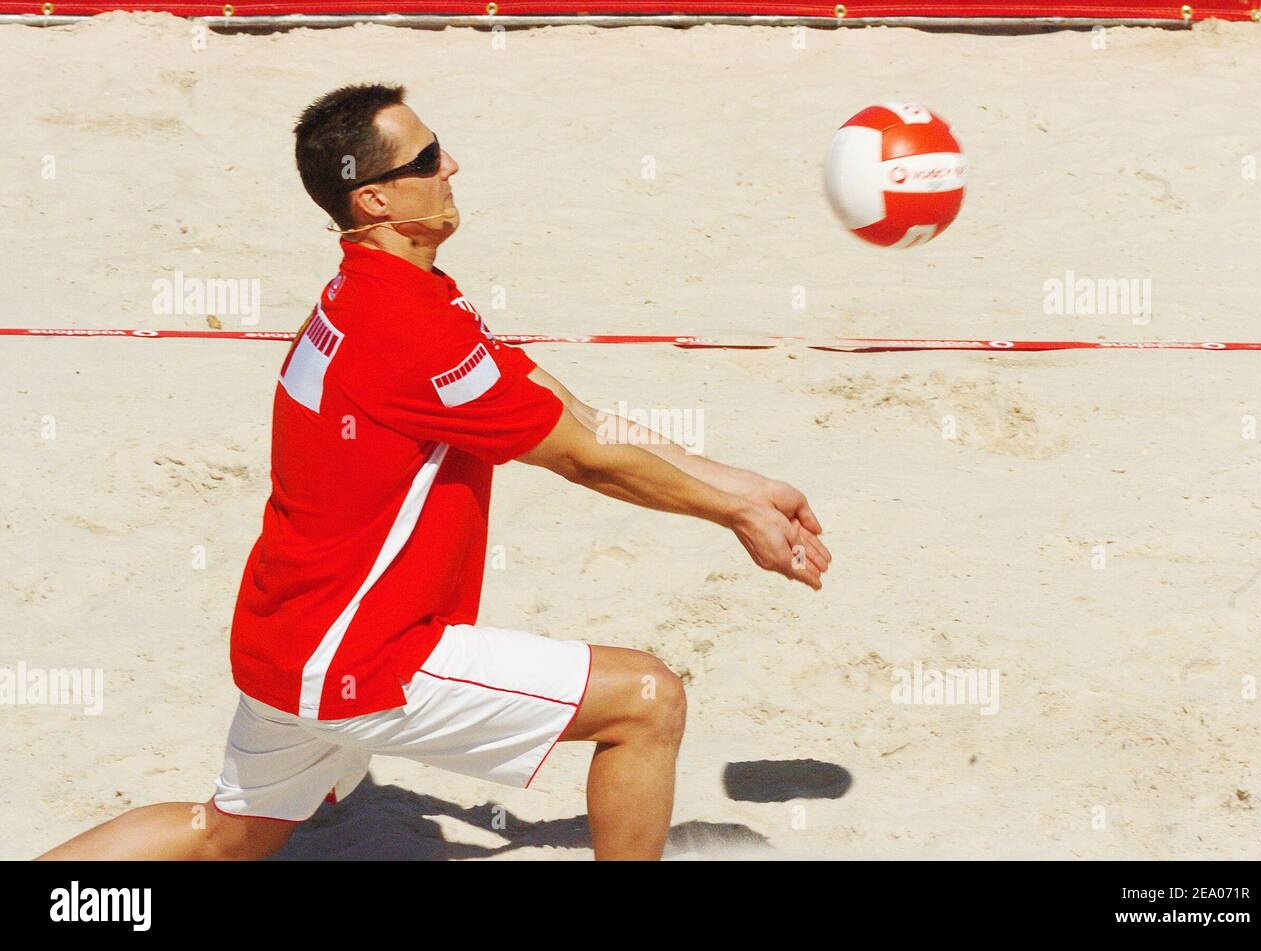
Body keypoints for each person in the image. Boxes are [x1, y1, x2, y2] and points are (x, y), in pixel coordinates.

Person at [37, 83, 830, 862]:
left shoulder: (381, 295)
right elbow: (584, 461)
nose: (452, 163)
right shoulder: (409, 331)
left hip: (288, 638)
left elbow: (575, 414)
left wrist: (742, 486)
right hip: (364, 657)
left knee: (226, 836)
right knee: (648, 700)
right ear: (374, 201)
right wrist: (730, 516)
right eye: (425, 157)